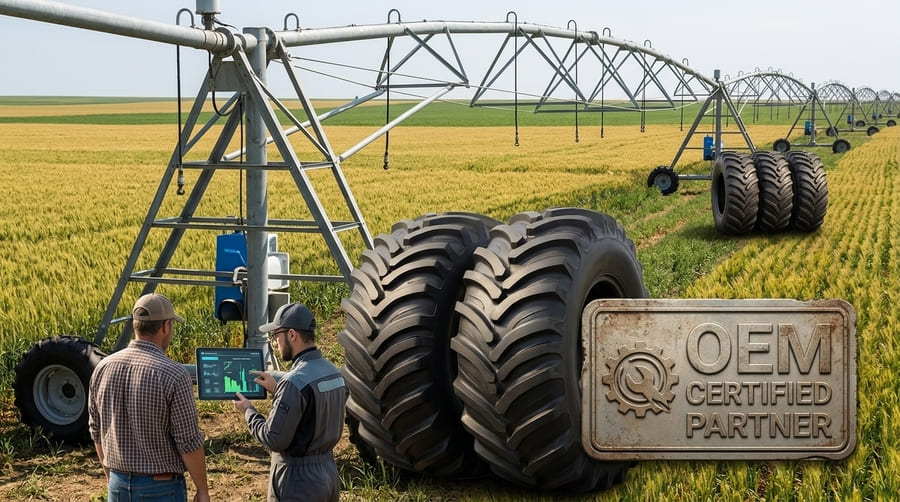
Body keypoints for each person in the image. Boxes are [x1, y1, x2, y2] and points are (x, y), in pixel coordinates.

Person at [88, 293, 210, 502]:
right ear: (165, 327)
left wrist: (112, 478)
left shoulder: (102, 368)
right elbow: (188, 441)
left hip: (117, 483)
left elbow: (96, 430)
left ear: (136, 326)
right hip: (161, 488)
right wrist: (202, 489)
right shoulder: (174, 375)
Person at [232, 302, 347, 502]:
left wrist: (248, 410)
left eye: (277, 336)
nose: (276, 343)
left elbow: (273, 439)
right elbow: (312, 412)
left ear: (292, 335)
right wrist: (278, 390)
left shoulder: (294, 383)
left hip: (298, 481)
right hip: (328, 473)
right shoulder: (333, 373)